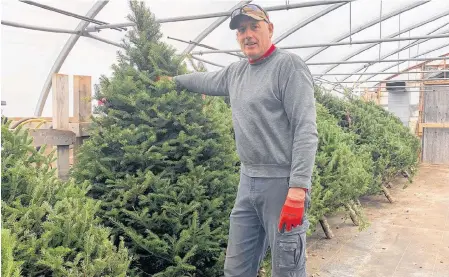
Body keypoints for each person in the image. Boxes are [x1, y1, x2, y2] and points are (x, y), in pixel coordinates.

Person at [161, 4, 318, 277]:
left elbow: (306, 129)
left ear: (269, 28)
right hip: (247, 182)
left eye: (254, 27)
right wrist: (172, 81)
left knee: (287, 269)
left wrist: (298, 188)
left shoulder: (288, 66)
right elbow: (205, 80)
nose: (247, 35)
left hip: (281, 185)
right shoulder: (236, 73)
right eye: (241, 30)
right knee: (236, 269)